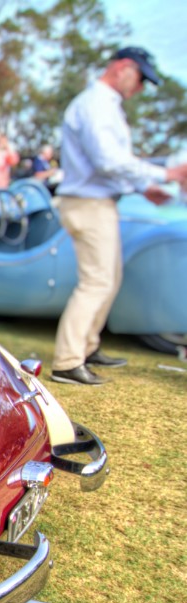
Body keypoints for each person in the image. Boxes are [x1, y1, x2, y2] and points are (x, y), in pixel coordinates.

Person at [50, 46, 187, 386]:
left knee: (108, 277)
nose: (140, 87)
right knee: (96, 281)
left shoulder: (106, 104)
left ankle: (88, 346)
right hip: (87, 203)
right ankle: (68, 361)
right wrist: (164, 173)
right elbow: (107, 161)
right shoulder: (95, 103)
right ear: (123, 67)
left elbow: (110, 166)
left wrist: (143, 187)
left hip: (98, 201)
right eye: (141, 78)